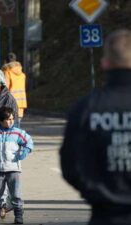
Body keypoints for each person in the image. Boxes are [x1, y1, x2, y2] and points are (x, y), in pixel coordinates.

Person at [60, 29, 131, 225]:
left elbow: (70, 165)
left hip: (104, 215)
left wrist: (96, 193)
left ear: (105, 63)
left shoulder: (85, 108)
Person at [0, 106, 33, 224]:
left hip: (13, 169)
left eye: (12, 119)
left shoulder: (18, 133)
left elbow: (29, 142)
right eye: (7, 120)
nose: (10, 122)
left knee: (16, 194)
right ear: (0, 120)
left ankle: (18, 214)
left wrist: (25, 151)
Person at [2, 52, 27, 126]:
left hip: (10, 103)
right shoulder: (22, 74)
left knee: (11, 128)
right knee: (17, 126)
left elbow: (5, 88)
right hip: (21, 103)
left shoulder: (7, 72)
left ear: (5, 61)